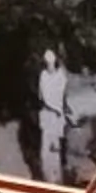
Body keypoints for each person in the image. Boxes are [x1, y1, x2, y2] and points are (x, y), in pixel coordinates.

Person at [35, 47, 70, 185]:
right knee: (46, 148)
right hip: (48, 115)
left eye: (51, 63)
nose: (49, 66)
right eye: (47, 63)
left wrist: (60, 111)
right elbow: (43, 96)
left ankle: (56, 177)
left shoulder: (61, 76)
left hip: (57, 117)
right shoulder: (43, 75)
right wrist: (54, 108)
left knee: (55, 147)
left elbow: (63, 95)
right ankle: (47, 177)